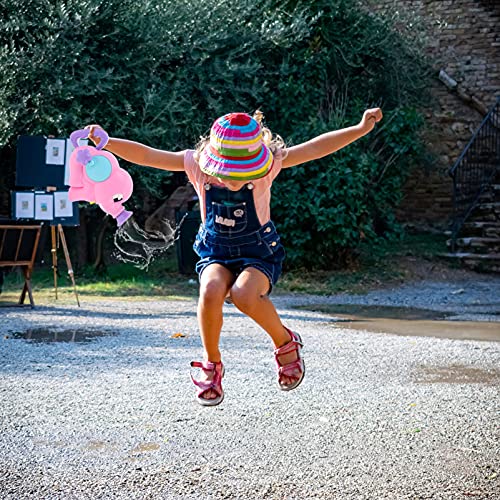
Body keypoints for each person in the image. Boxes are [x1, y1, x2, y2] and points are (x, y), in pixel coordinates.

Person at [86, 107, 382, 406]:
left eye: (243, 174)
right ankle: (211, 364)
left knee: (244, 295)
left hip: (258, 251)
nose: (232, 181)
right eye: (226, 173)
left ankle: (284, 342)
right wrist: (108, 142)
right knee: (211, 290)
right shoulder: (195, 165)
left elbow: (316, 147)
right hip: (215, 251)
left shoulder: (271, 164)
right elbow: (149, 155)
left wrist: (358, 129)